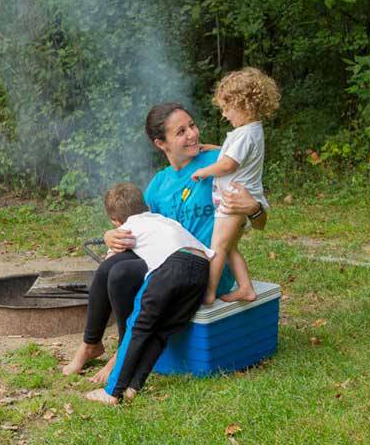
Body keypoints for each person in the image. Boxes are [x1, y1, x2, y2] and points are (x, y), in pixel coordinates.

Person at [62, 102, 267, 380]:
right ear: (161, 143)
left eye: (192, 126)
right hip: (167, 268)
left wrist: (253, 207)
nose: (192, 135)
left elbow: (260, 223)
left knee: (122, 272)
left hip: (208, 271)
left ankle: (122, 354)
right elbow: (144, 229)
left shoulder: (218, 163)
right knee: (111, 267)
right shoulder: (159, 184)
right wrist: (113, 236)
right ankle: (91, 344)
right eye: (180, 132)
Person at [84, 183, 212, 405]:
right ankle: (133, 387)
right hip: (201, 266)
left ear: (116, 221)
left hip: (171, 266)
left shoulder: (128, 228)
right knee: (162, 331)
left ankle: (112, 392)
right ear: (146, 206)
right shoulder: (163, 220)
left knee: (139, 325)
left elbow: (111, 260)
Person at [191, 68, 280, 304]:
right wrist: (215, 149)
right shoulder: (252, 131)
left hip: (234, 204)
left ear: (244, 105)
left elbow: (229, 164)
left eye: (227, 108)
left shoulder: (244, 134)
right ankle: (246, 288)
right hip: (238, 201)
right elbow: (235, 155)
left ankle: (208, 295)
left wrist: (204, 171)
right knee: (229, 248)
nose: (224, 115)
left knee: (217, 247)